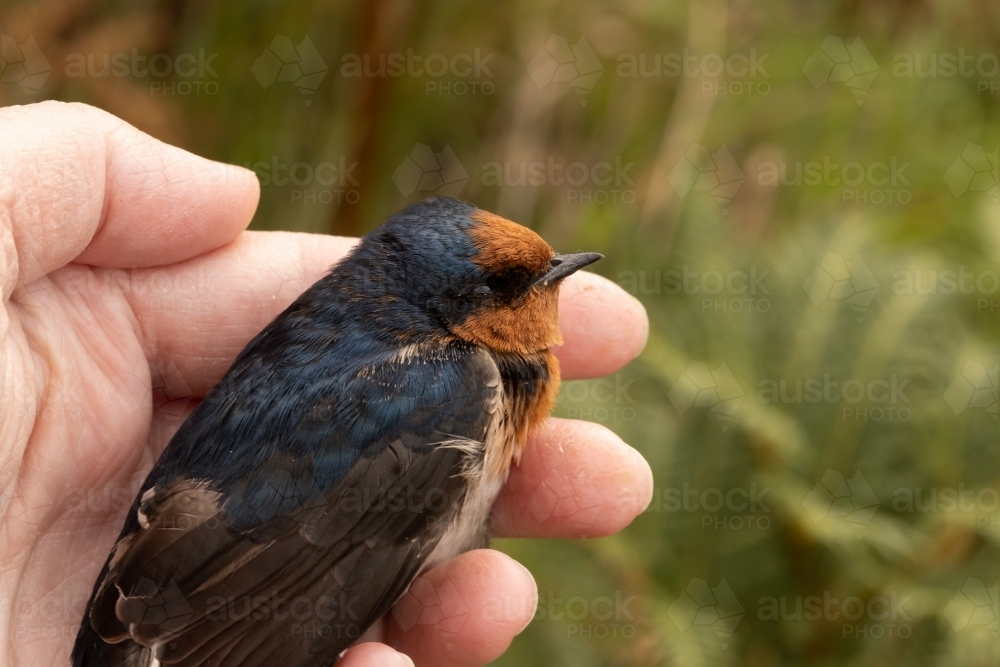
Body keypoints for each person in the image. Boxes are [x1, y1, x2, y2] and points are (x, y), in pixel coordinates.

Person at [0, 101, 653, 667]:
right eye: (512, 284)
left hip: (159, 576)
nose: (551, 276)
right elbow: (310, 566)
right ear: (465, 309)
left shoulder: (364, 339)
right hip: (210, 610)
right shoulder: (453, 387)